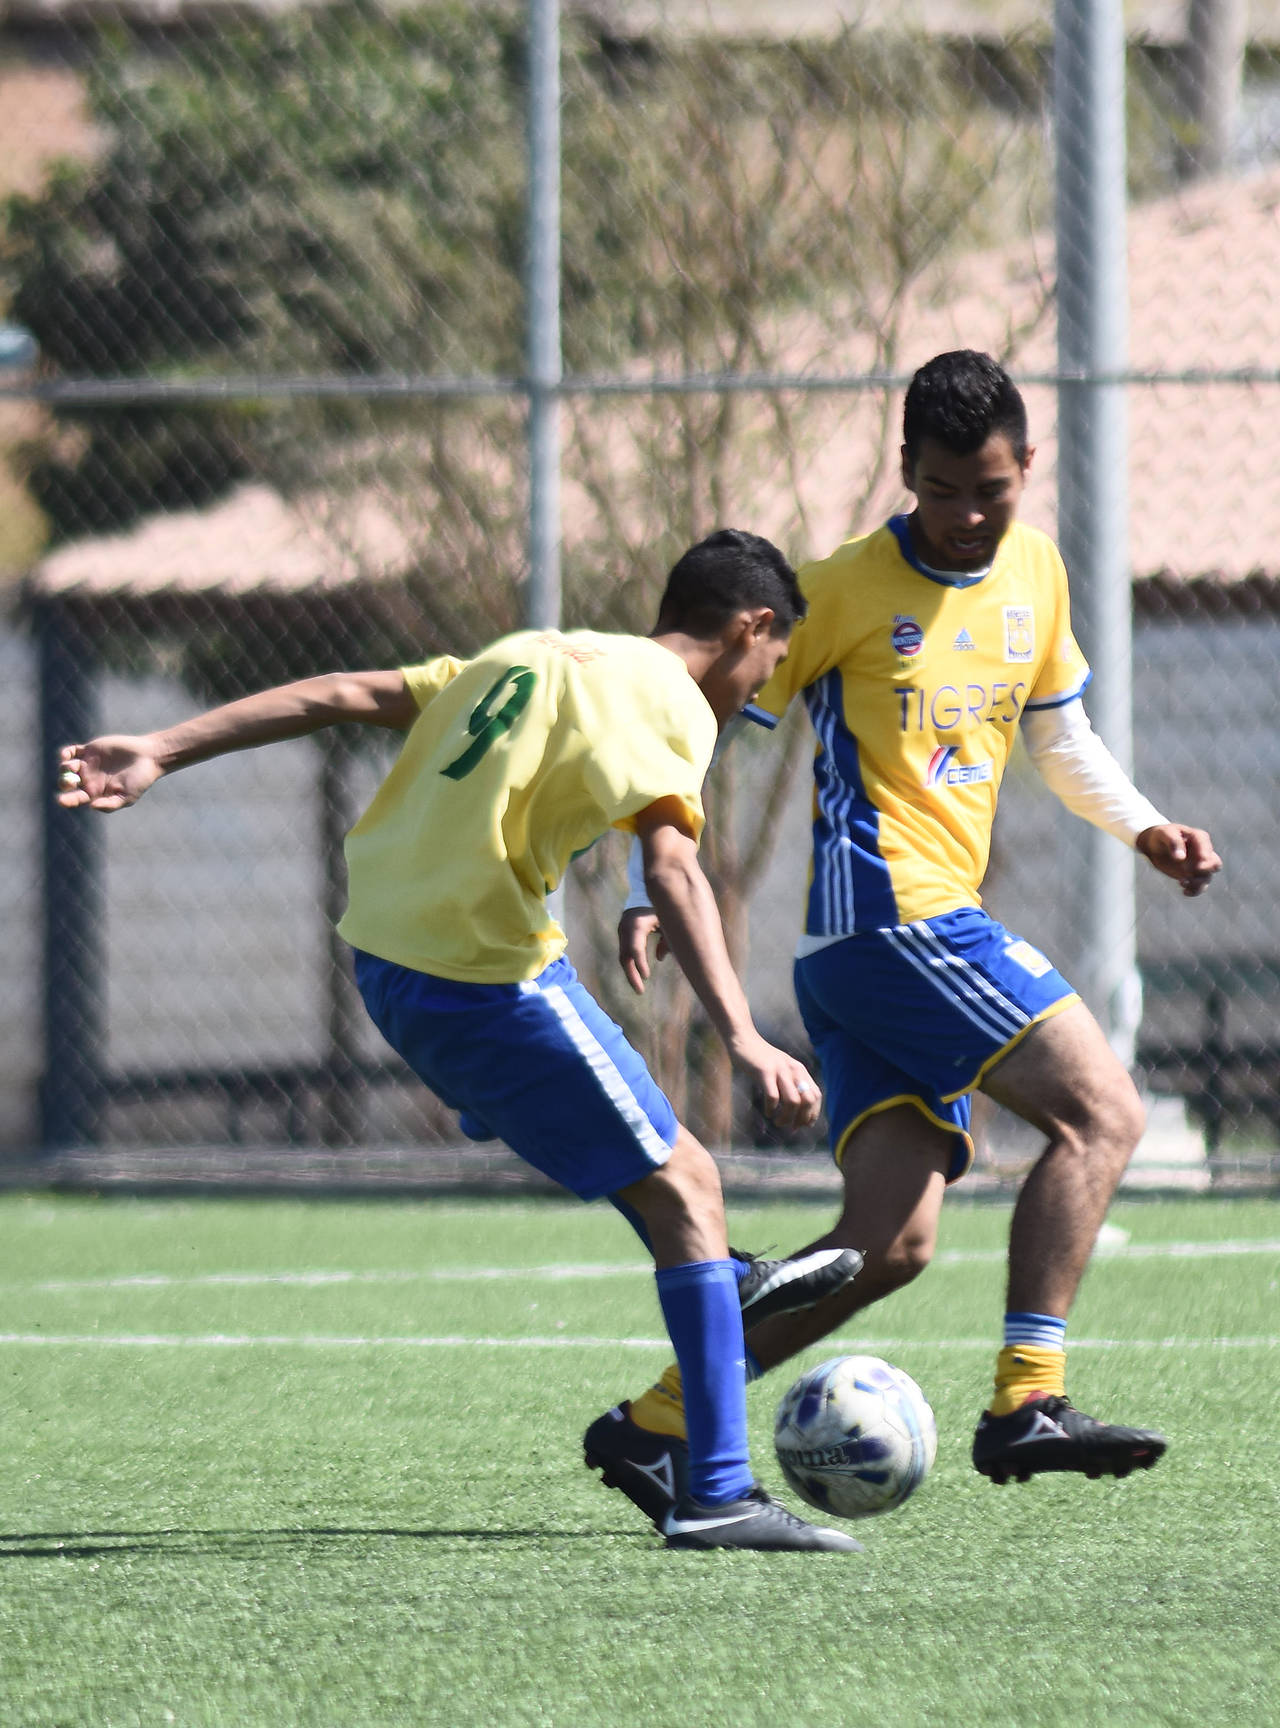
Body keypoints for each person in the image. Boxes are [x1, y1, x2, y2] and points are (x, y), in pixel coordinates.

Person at [55, 528, 866, 1554]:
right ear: (751, 627)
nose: (755, 693)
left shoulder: (533, 654)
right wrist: (745, 1037)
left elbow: (343, 693)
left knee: (666, 1181)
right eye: (768, 664)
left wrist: (163, 748)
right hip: (485, 980)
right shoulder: (673, 704)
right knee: (690, 1185)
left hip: (387, 963)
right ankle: (713, 1491)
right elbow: (673, 865)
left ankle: (715, 1298)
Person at [587, 350, 1221, 1531]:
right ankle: (1026, 1400)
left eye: (990, 490)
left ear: (1025, 465)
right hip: (894, 923)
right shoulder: (837, 590)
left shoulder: (1034, 573)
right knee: (1104, 1114)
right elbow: (703, 713)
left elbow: (1057, 738)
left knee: (887, 1245)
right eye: (941, 491)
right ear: (903, 472)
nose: (968, 514)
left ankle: (658, 1422)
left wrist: (1143, 828)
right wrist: (647, 877)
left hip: (876, 954)